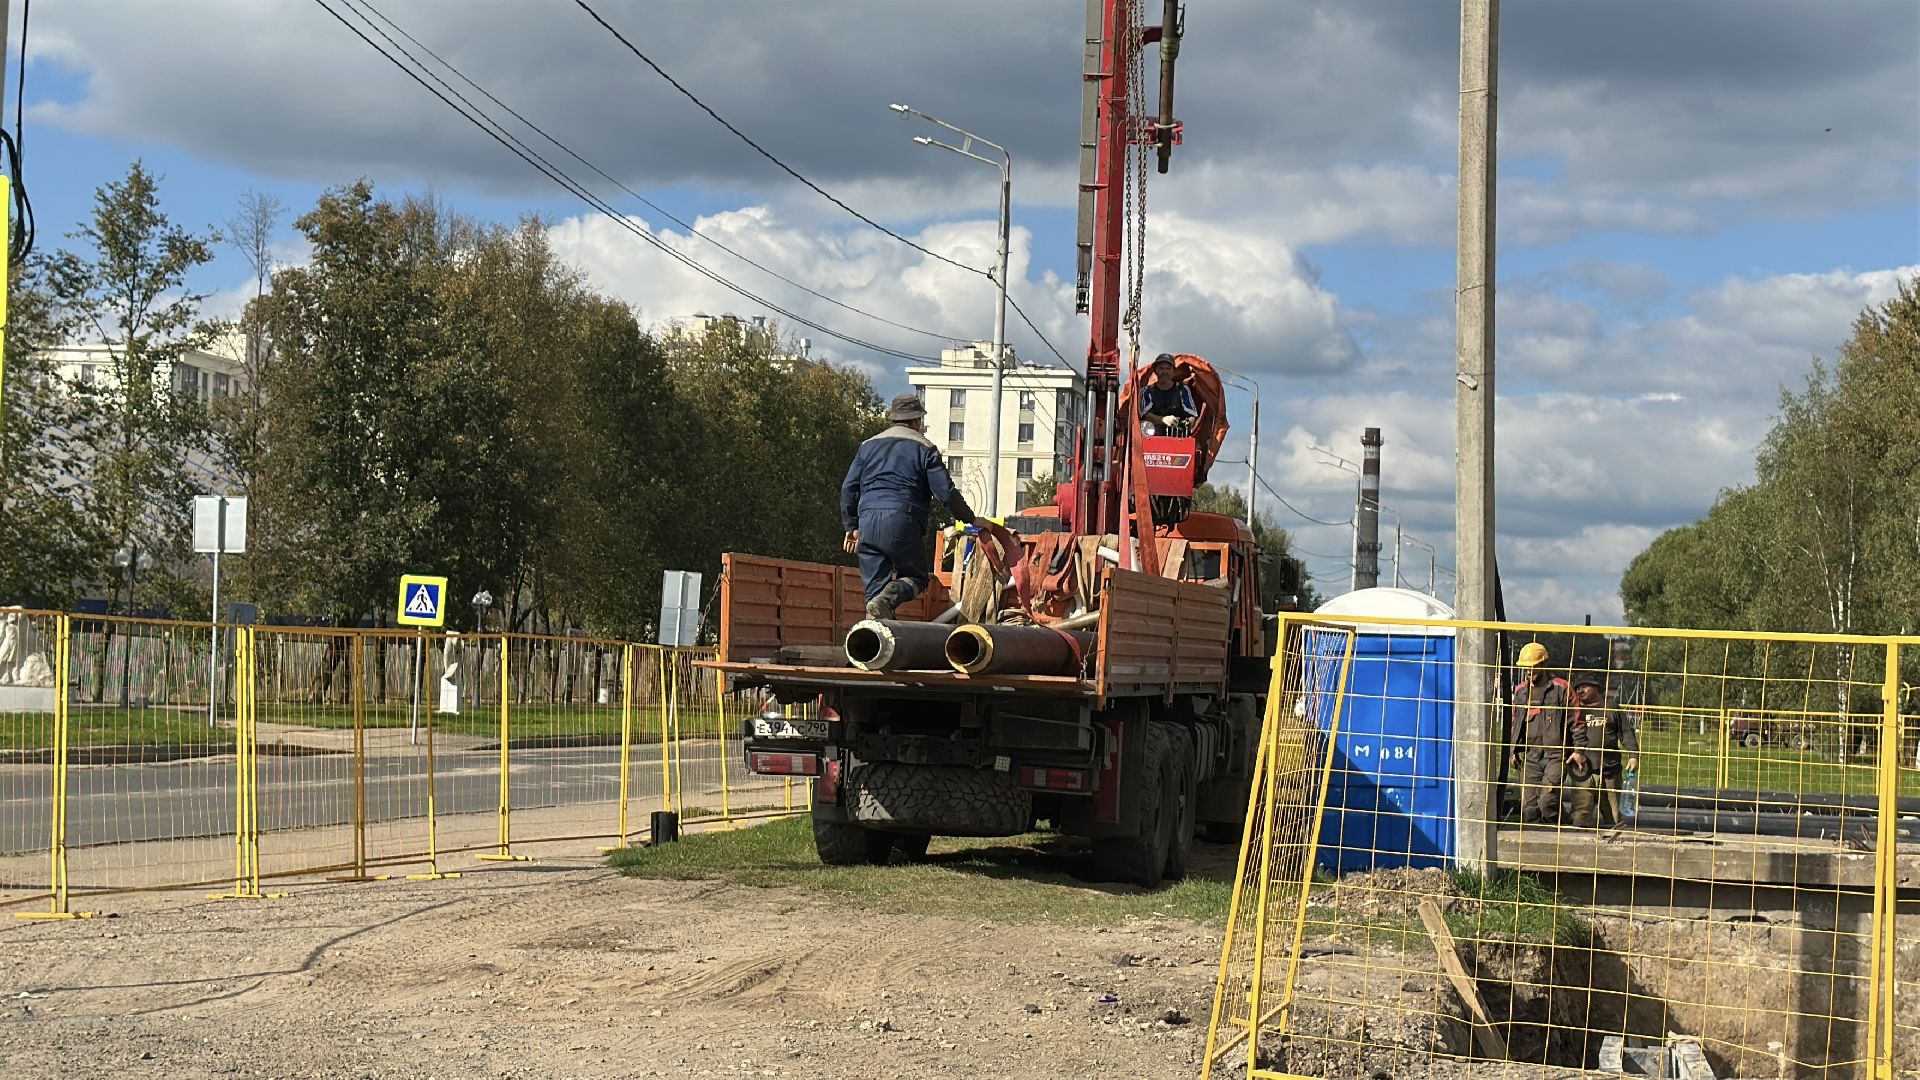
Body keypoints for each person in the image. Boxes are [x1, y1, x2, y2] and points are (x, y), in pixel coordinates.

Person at [840, 393, 990, 620]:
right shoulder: (925, 448)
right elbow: (945, 493)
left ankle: (875, 647)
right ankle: (889, 599)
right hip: (903, 521)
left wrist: (851, 525)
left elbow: (848, 488)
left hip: (867, 523)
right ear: (917, 421)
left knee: (874, 598)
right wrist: (969, 518)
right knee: (917, 577)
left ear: (893, 419)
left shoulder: (867, 446)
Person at [1507, 641, 1573, 825]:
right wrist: (1513, 751)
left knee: (1547, 802)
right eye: (1526, 668)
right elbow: (1514, 722)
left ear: (1544, 664)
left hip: (1555, 755)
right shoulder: (1520, 691)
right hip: (1530, 756)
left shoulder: (1562, 689)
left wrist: (1578, 751)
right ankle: (1534, 841)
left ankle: (1562, 827)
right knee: (1528, 809)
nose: (1529, 672)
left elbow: (1576, 722)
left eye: (1533, 667)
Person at [1566, 672, 1640, 829]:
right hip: (1582, 772)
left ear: (1596, 688)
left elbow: (1626, 733)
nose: (1580, 690)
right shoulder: (1574, 710)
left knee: (1615, 818)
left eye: (1585, 686)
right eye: (1577, 687)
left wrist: (1633, 756)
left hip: (1609, 771)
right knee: (1580, 817)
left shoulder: (1611, 708)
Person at [1141, 354, 1197, 432]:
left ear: (1173, 371)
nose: (1165, 372)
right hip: (1152, 435)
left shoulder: (1183, 390)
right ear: (1155, 371)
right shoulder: (1147, 391)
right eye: (1161, 368)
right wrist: (1163, 420)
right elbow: (1146, 415)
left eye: (1168, 369)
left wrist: (1187, 424)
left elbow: (1192, 415)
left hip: (1178, 435)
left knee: (1197, 444)